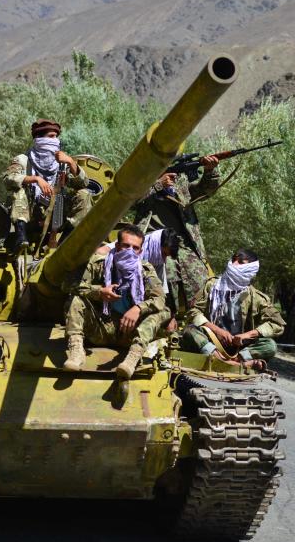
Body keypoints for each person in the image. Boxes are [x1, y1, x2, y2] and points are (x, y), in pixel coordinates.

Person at [62, 225, 169, 379]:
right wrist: (99, 292)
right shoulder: (98, 264)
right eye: (126, 246)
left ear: (140, 251)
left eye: (135, 247)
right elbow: (68, 285)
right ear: (117, 246)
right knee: (76, 299)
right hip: (101, 328)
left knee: (163, 311)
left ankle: (133, 357)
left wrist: (138, 308)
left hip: (129, 332)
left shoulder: (146, 270)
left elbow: (159, 298)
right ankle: (76, 351)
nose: (130, 251)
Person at [134, 154, 222, 316]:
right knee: (163, 287)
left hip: (185, 243)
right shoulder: (143, 178)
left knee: (200, 283)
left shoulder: (179, 181)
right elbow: (129, 200)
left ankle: (199, 323)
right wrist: (157, 185)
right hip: (156, 244)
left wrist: (210, 171)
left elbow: (205, 191)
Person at [181, 248, 285, 371]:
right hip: (211, 341)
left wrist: (247, 335)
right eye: (233, 260)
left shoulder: (256, 297)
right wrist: (217, 331)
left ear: (251, 268)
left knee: (270, 345)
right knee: (189, 331)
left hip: (239, 348)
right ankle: (227, 361)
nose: (233, 265)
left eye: (240, 262)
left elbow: (278, 324)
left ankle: (233, 361)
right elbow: (193, 312)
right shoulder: (212, 286)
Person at [4, 118, 93, 250]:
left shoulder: (62, 163)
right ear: (39, 139)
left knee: (84, 195)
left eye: (56, 137)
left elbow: (83, 183)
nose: (55, 141)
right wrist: (35, 179)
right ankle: (21, 238)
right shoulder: (23, 160)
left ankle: (64, 243)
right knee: (19, 191)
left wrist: (71, 162)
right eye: (51, 137)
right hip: (30, 213)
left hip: (56, 213)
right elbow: (8, 179)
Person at [97, 227, 181, 331]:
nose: (164, 259)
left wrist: (170, 318)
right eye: (163, 254)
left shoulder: (157, 263)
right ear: (155, 246)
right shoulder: (127, 246)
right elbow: (101, 252)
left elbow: (160, 295)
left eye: (166, 256)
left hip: (137, 312)